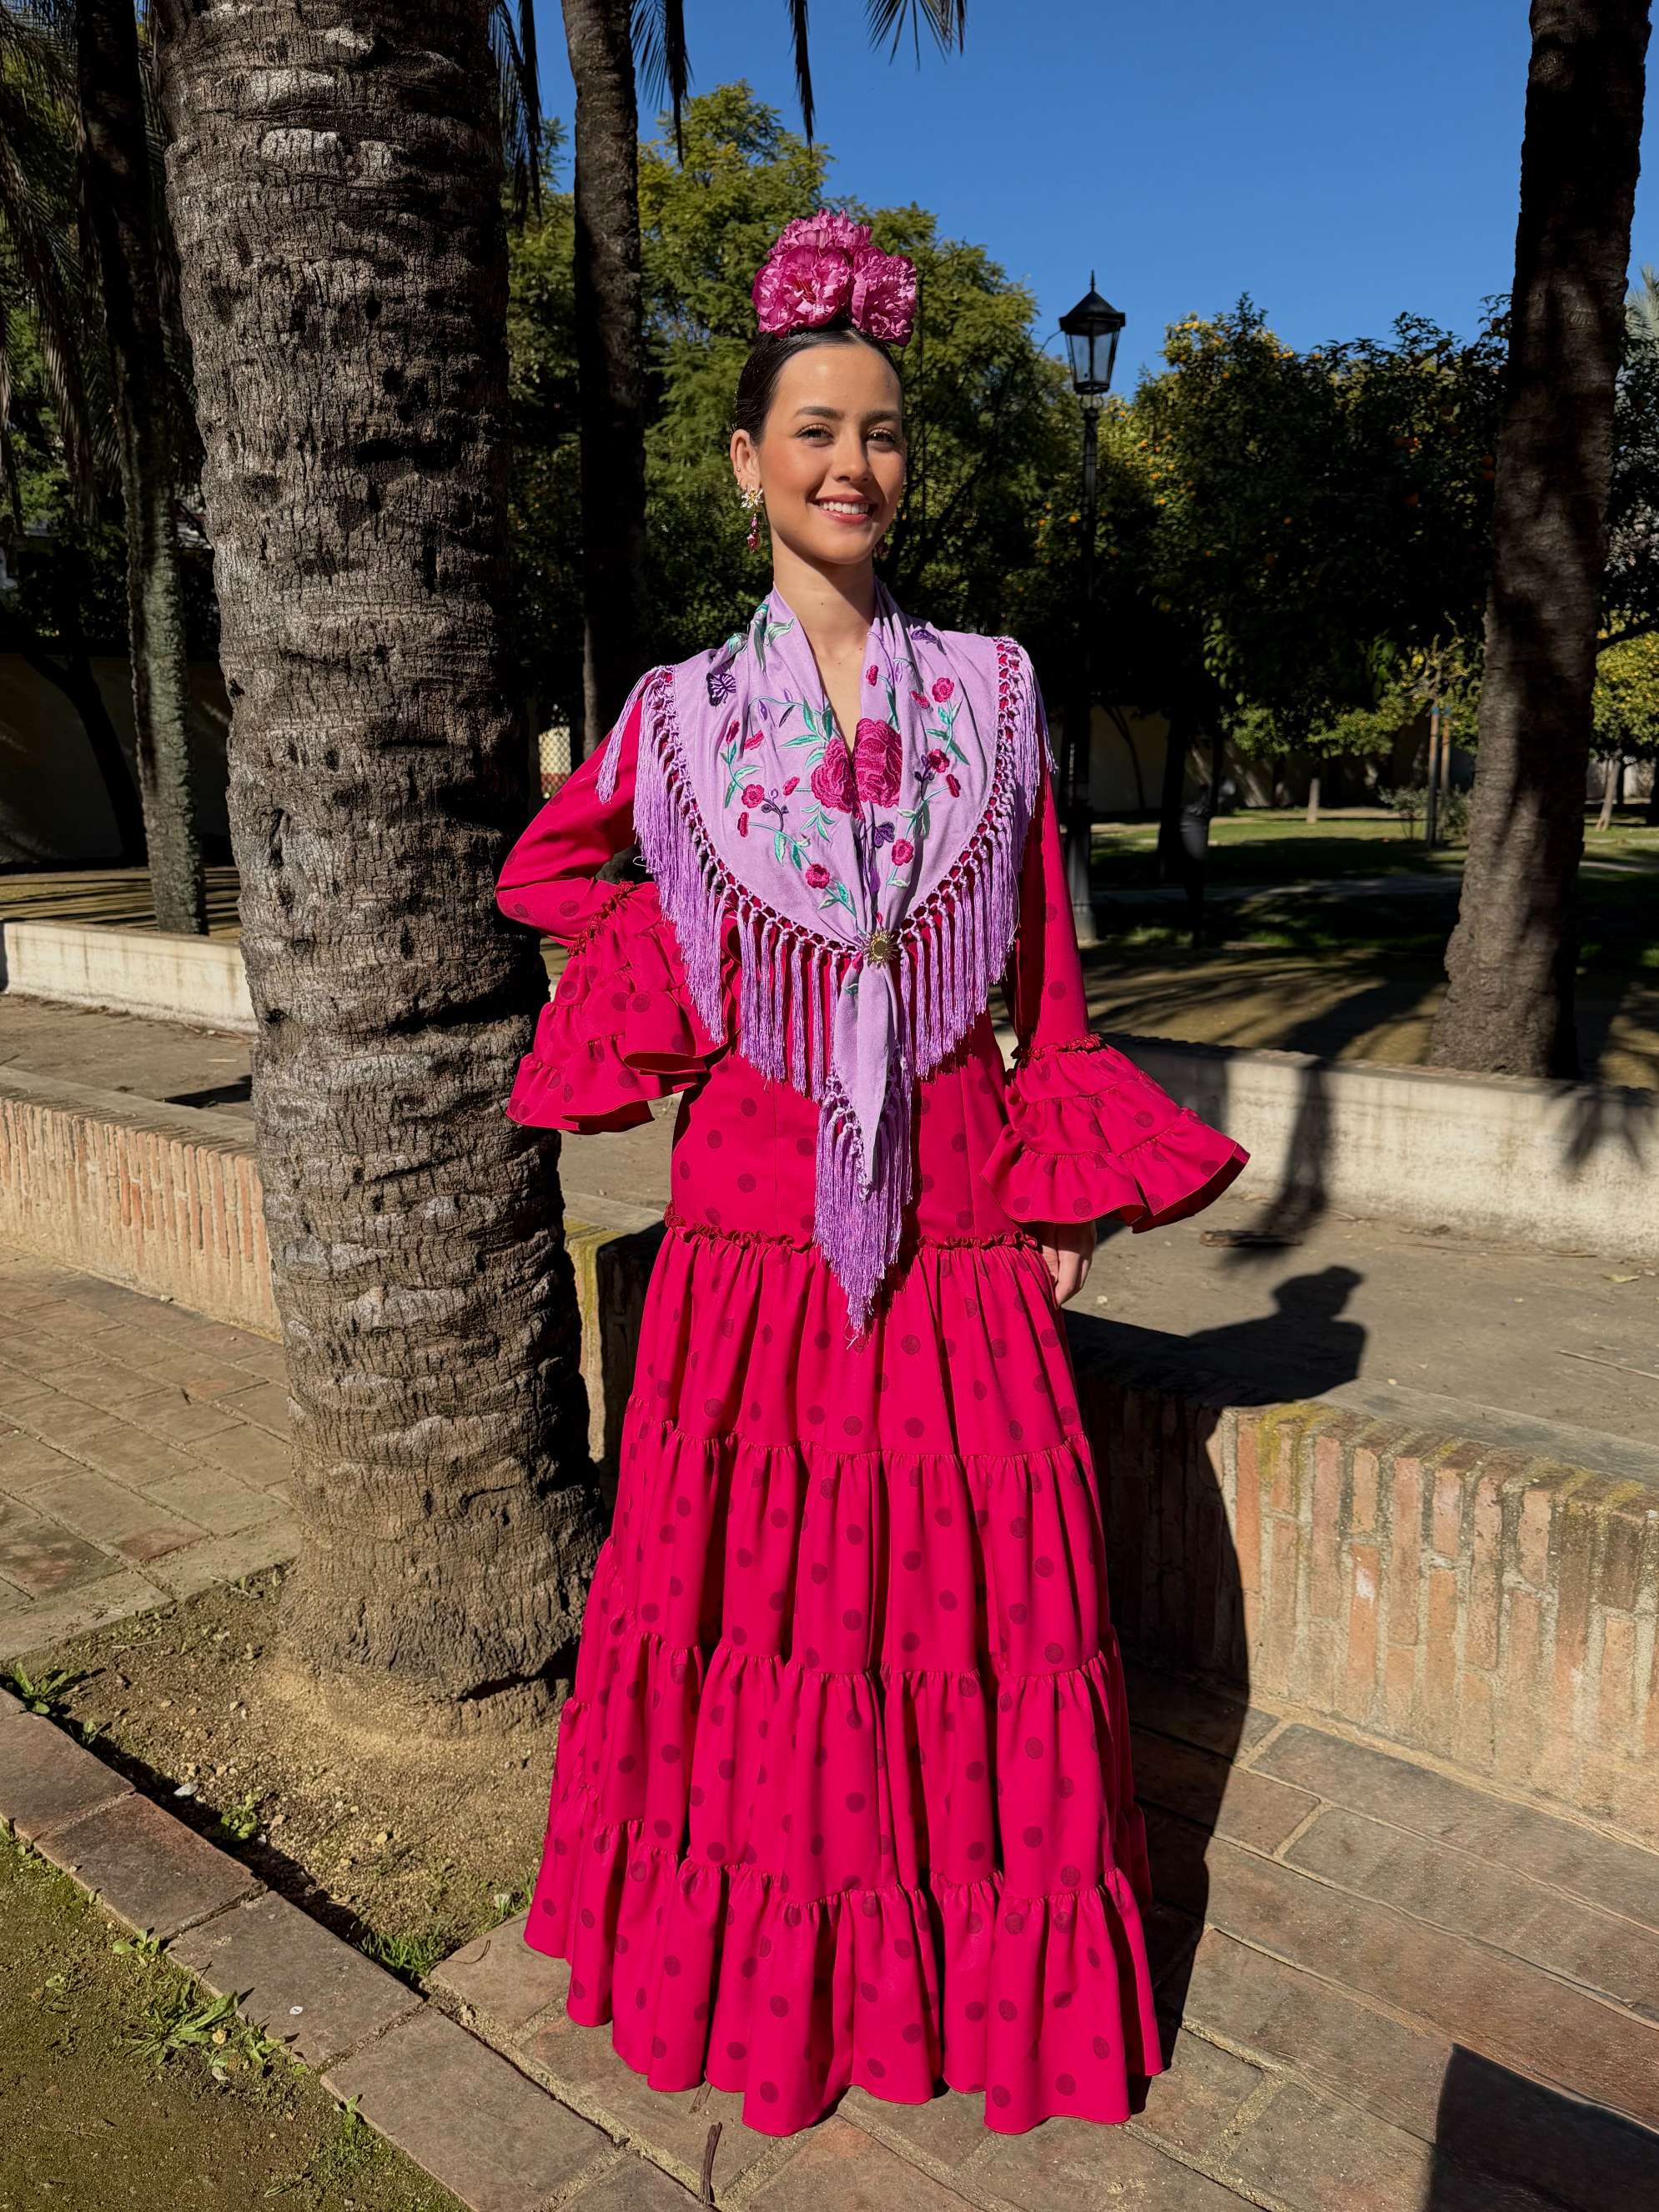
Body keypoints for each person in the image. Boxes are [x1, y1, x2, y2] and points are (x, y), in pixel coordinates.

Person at [494, 212, 1247, 2139]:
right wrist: (682, 972)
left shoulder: (989, 693)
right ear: (743, 462)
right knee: (767, 1626)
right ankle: (775, 2000)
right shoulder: (674, 723)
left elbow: (1050, 983)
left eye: (884, 432)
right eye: (814, 428)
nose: (852, 463)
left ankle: (966, 2000)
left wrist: (1066, 1191)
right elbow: (547, 874)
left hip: (964, 1223)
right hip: (748, 1239)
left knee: (969, 1616)